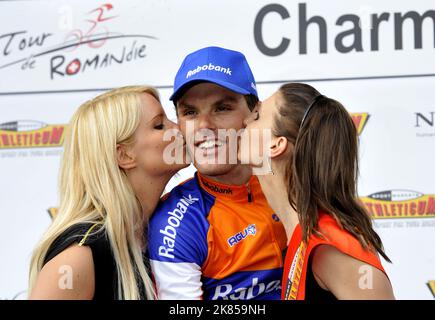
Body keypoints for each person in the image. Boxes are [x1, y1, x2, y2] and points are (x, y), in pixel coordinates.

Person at [147, 46, 287, 300]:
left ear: (255, 111)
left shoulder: (297, 184)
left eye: (221, 108)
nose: (203, 126)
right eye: (190, 112)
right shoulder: (177, 222)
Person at [28, 86, 188, 300]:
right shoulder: (78, 256)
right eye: (159, 125)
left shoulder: (165, 229)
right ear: (124, 155)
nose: (179, 128)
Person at [239, 82, 395, 300]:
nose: (245, 121)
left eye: (256, 117)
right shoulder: (302, 237)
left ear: (276, 145)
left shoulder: (331, 245)